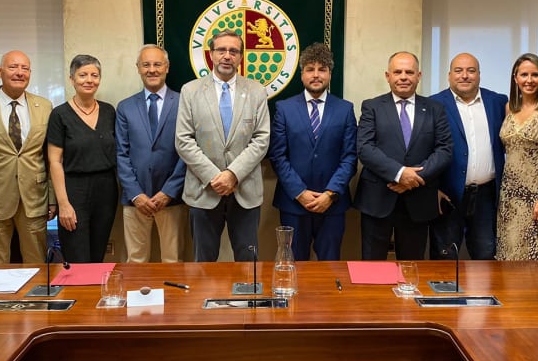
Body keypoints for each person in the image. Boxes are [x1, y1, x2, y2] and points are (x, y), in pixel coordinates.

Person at [175, 30, 270, 262]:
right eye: (221, 50)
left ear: (240, 57)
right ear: (211, 54)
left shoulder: (257, 91)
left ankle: (249, 300)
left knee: (249, 266)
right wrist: (214, 177)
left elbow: (261, 139)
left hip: (245, 190)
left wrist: (232, 174)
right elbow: (183, 140)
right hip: (204, 190)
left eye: (233, 51)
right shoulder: (191, 90)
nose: (227, 56)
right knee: (204, 263)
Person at [354, 51, 452, 260]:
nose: (403, 77)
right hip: (378, 199)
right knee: (373, 268)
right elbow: (364, 148)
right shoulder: (372, 106)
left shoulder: (435, 109)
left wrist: (412, 179)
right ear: (388, 76)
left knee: (411, 268)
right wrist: (399, 174)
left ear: (419, 76)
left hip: (418, 200)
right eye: (397, 72)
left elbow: (444, 150)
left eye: (409, 72)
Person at [268, 43, 357, 261]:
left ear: (330, 73)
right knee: (294, 265)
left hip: (332, 205)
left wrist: (330, 193)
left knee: (329, 265)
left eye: (322, 69)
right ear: (301, 74)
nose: (316, 75)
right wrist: (300, 192)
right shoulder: (284, 108)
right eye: (310, 69)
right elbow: (278, 156)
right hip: (293, 203)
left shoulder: (345, 109)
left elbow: (350, 157)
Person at [0, 50, 55, 264]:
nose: (19, 73)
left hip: (34, 198)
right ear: (0, 71)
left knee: (38, 264)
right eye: (13, 67)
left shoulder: (44, 106)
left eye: (25, 68)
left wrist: (52, 198)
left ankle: (37, 299)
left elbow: (50, 157)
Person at [430, 53, 507, 260]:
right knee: (444, 257)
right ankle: (445, 295)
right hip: (447, 195)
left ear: (479, 75)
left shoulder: (498, 102)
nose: (465, 76)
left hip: (486, 196)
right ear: (449, 75)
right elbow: (425, 149)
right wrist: (433, 188)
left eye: (471, 71)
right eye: (458, 70)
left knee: (486, 255)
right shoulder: (433, 104)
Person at [116, 45, 188, 263]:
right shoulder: (125, 107)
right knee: (136, 261)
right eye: (146, 64)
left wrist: (168, 191)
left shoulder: (184, 103)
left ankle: (174, 299)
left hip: (172, 197)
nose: (152, 69)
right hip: (135, 199)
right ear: (138, 68)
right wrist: (136, 194)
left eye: (157, 64)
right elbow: (121, 153)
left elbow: (188, 152)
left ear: (167, 67)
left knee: (173, 260)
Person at [47, 54, 118, 263]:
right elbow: (55, 161)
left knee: (98, 255)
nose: (89, 80)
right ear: (72, 79)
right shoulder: (60, 114)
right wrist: (63, 204)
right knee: (77, 257)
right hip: (74, 191)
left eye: (94, 75)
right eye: (83, 75)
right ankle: (79, 295)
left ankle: (96, 295)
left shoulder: (108, 111)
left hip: (106, 190)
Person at [496, 53, 538, 261]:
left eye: (535, 75)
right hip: (510, 197)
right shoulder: (509, 108)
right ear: (515, 77)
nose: (529, 80)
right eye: (524, 74)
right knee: (510, 259)